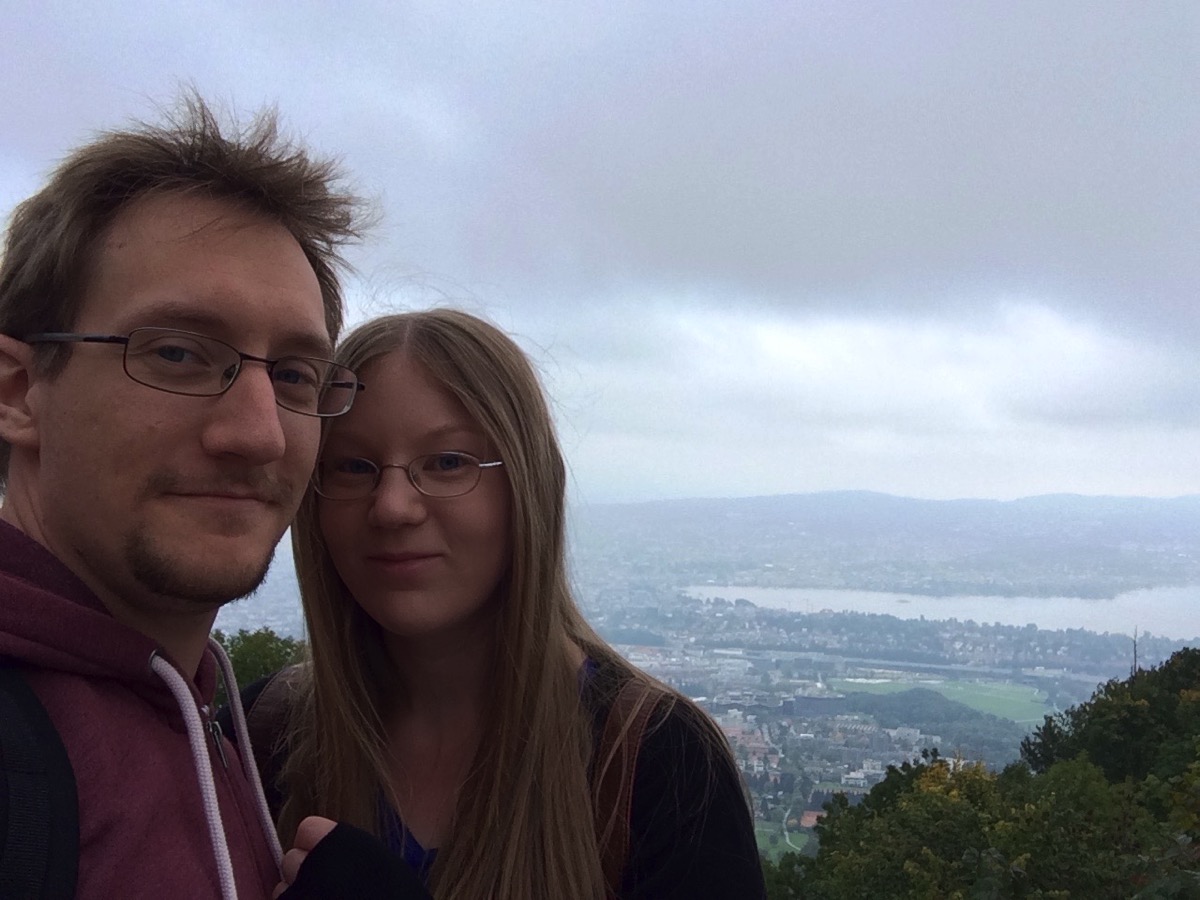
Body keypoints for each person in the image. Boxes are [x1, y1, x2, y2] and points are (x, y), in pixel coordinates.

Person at [250, 309, 767, 899]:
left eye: (448, 463)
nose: (392, 506)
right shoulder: (265, 736)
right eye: (353, 466)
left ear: (527, 487)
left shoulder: (658, 764)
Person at [0, 95, 366, 899]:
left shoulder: (189, 707)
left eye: (296, 374)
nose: (260, 434)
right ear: (21, 390)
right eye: (176, 353)